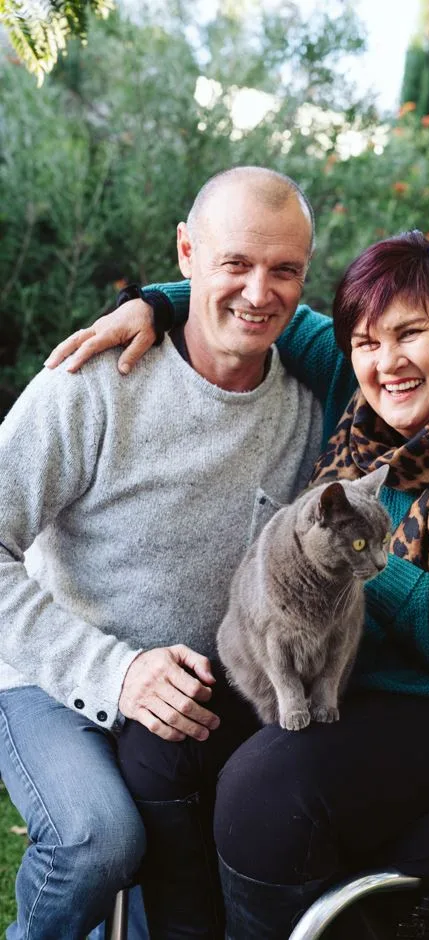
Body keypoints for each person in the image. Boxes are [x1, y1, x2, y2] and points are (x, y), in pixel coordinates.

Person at [51, 222, 429, 940]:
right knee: (168, 740)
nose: (387, 361)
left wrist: (373, 572)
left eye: (411, 334)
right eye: (368, 342)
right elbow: (256, 304)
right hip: (368, 678)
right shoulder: (361, 402)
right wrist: (152, 303)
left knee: (267, 791)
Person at [0, 167, 326, 939]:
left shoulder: (308, 411)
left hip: (197, 708)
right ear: (185, 253)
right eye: (235, 264)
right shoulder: (91, 386)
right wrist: (116, 672)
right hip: (47, 675)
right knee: (98, 840)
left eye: (284, 271)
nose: (258, 292)